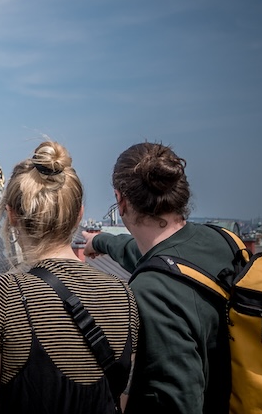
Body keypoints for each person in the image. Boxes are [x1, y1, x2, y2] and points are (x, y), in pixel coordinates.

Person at [0, 141, 138, 414]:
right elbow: (124, 402)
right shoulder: (122, 294)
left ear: (11, 215)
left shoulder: (1, 295)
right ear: (79, 215)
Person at [83, 142, 234, 414]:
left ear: (120, 201)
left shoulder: (151, 292)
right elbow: (150, 255)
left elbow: (177, 402)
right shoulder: (221, 239)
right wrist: (101, 241)